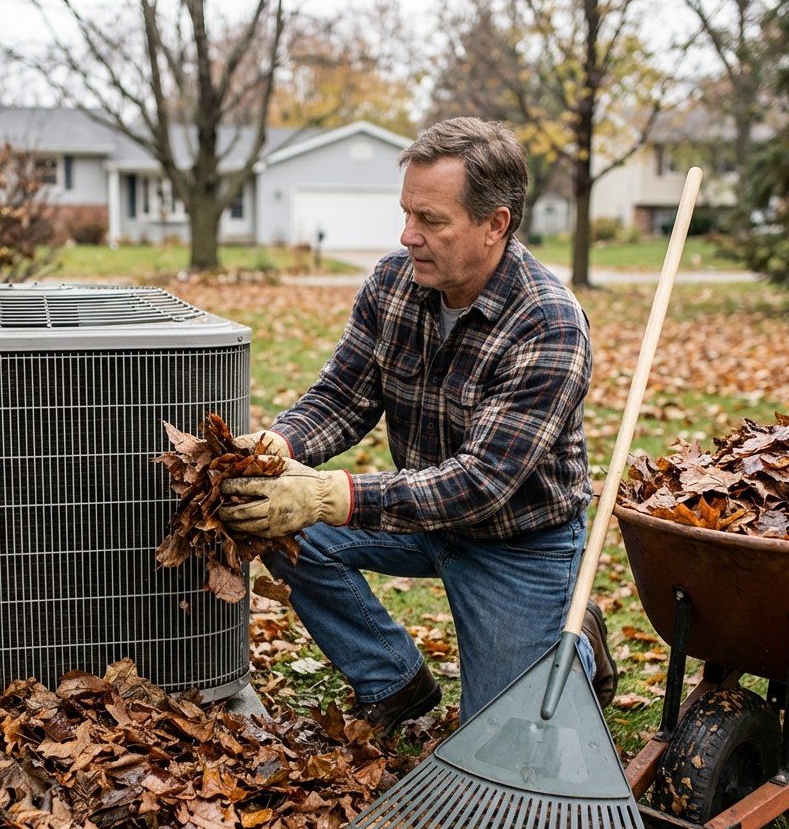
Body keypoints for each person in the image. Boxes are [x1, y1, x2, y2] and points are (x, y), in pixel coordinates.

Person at [218, 117, 617, 734]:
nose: (408, 236)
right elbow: (345, 395)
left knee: (501, 733)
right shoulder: (393, 283)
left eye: (431, 220)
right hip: (419, 514)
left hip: (516, 540)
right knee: (270, 519)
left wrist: (330, 494)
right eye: (406, 214)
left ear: (495, 225)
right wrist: (280, 446)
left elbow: (481, 483)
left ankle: (578, 640)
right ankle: (394, 679)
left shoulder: (549, 324)